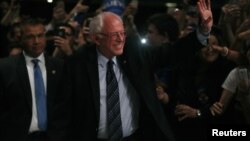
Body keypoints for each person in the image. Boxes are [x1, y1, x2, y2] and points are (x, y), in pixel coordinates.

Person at [56, 0, 213, 140]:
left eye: (122, 33)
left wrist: (203, 31)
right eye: (113, 35)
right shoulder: (76, 63)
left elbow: (174, 52)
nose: (120, 39)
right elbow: (63, 113)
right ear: (97, 38)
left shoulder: (135, 52)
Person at [0, 18, 64, 141]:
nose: (36, 41)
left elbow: (64, 106)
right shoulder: (5, 68)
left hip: (52, 137)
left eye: (40, 36)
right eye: (30, 37)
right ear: (21, 38)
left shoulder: (59, 66)